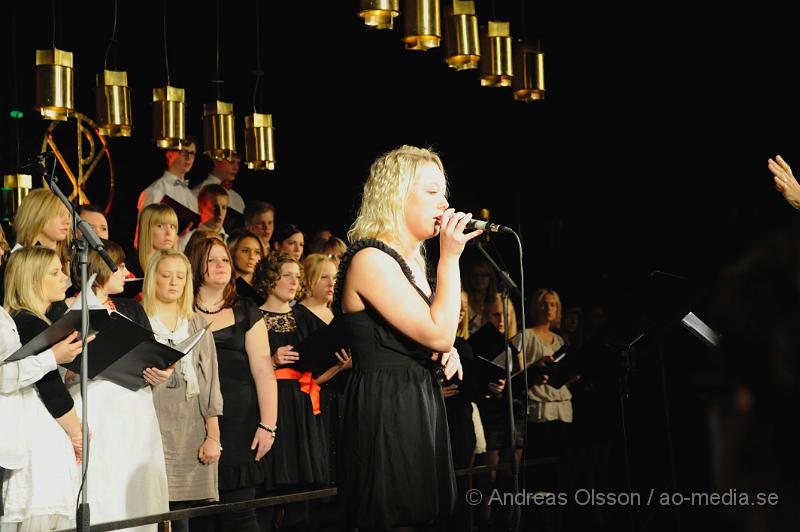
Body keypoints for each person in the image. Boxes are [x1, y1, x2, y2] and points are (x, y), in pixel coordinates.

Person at [333, 145, 480, 531]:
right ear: (397, 194)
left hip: (416, 395)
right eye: (432, 191)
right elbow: (439, 331)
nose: (445, 202)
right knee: (394, 514)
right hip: (387, 403)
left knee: (423, 514)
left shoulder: (409, 263)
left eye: (443, 191)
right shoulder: (370, 259)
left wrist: (445, 353)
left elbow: (435, 334)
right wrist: (450, 258)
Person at [63, 241, 171, 531]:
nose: (127, 272)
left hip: (135, 405)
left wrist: (159, 372)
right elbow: (60, 367)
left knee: (135, 489)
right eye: (120, 266)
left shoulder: (130, 309)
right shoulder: (69, 310)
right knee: (104, 482)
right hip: (97, 405)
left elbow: (152, 353)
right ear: (100, 269)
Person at [188, 235, 277, 532]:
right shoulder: (180, 310)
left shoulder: (246, 309)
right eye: (211, 259)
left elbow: (264, 369)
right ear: (196, 264)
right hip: (192, 421)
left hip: (239, 424)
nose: (220, 265)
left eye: (225, 259)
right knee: (199, 520)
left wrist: (268, 424)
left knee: (240, 517)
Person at [1, 247, 84, 531]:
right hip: (39, 430)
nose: (65, 278)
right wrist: (77, 430)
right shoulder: (31, 323)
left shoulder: (22, 319)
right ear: (33, 280)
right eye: (55, 272)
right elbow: (50, 388)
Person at [143, 249, 223, 532]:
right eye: (166, 275)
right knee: (149, 506)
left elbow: (210, 383)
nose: (173, 282)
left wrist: (213, 436)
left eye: (180, 276)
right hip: (150, 423)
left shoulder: (197, 324)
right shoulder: (140, 321)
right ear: (153, 278)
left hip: (189, 426)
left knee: (181, 514)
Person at [12, 188, 72, 272]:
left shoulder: (73, 262)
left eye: (69, 216)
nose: (68, 221)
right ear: (36, 214)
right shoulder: (16, 264)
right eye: (60, 214)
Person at [137, 136, 199, 215]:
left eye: (192, 153)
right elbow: (145, 225)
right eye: (184, 152)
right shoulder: (155, 192)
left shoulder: (191, 197)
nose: (189, 158)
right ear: (169, 155)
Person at [464, 260, 518, 337]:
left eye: (484, 275)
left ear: (491, 278)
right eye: (475, 275)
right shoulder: (464, 302)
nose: (479, 279)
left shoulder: (498, 300)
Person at [134, 204, 179, 277]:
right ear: (146, 229)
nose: (168, 233)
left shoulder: (181, 268)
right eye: (160, 226)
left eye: (172, 226)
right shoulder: (130, 269)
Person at [180, 184, 229, 251]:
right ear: (201, 208)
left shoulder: (230, 241)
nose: (220, 213)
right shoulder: (189, 239)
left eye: (224, 207)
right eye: (214, 207)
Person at [227, 229, 266, 306]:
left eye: (257, 252)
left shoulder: (266, 287)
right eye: (245, 251)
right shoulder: (225, 288)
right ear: (232, 252)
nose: (252, 257)